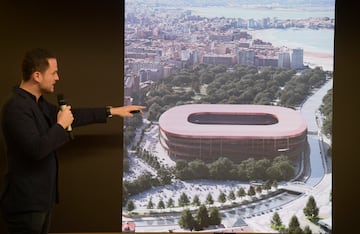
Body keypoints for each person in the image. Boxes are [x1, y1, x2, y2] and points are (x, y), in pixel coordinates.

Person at [0, 48, 145, 234]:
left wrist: (112, 111)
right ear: (37, 75)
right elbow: (36, 149)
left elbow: (72, 116)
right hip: (26, 203)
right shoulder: (16, 107)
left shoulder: (37, 103)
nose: (57, 78)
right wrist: (60, 126)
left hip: (41, 201)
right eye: (53, 73)